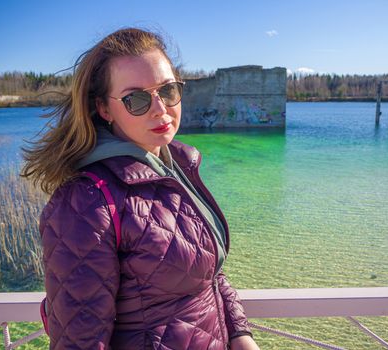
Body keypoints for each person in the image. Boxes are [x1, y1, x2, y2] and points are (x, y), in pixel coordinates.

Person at [21, 27, 260, 350]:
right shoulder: (85, 202)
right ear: (104, 109)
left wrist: (240, 335)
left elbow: (208, 274)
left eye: (168, 90)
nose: (160, 108)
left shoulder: (176, 166)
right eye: (136, 99)